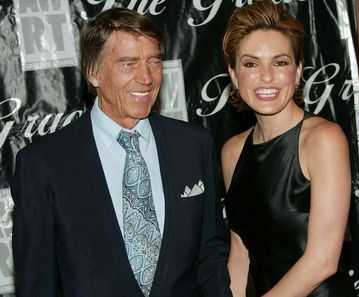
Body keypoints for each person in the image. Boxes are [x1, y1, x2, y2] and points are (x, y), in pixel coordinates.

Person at [11, 7, 231, 297]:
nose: (147, 77)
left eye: (154, 62)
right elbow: (37, 285)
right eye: (129, 64)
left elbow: (210, 253)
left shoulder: (194, 146)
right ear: (93, 73)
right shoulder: (43, 165)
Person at [221, 1, 354, 296]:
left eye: (280, 62)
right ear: (233, 74)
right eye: (251, 64)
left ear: (297, 72)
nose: (266, 76)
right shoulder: (232, 152)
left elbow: (323, 261)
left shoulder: (323, 139)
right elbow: (240, 255)